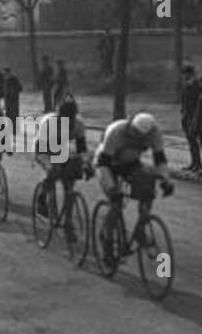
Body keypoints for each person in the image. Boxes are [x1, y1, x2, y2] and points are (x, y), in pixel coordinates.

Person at [94, 112, 174, 249]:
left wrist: (165, 180)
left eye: (142, 137)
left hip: (131, 162)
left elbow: (160, 159)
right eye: (136, 135)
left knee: (148, 190)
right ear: (131, 128)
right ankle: (107, 239)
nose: (138, 139)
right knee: (116, 203)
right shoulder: (117, 131)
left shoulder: (155, 133)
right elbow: (103, 164)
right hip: (108, 163)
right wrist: (111, 188)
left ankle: (141, 230)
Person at [33, 95, 92, 240]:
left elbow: (82, 149)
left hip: (62, 149)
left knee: (69, 187)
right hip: (44, 149)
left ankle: (68, 223)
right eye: (63, 118)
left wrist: (86, 164)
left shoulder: (78, 124)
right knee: (54, 171)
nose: (67, 121)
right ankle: (43, 196)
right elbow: (43, 148)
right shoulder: (48, 122)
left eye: (70, 118)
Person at [179, 63, 202, 173]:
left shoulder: (196, 86)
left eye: (186, 74)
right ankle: (194, 163)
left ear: (191, 74)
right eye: (184, 74)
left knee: (194, 141)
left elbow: (198, 103)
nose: (184, 77)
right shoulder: (186, 86)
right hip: (186, 116)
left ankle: (198, 164)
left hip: (193, 117)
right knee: (191, 141)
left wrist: (195, 118)